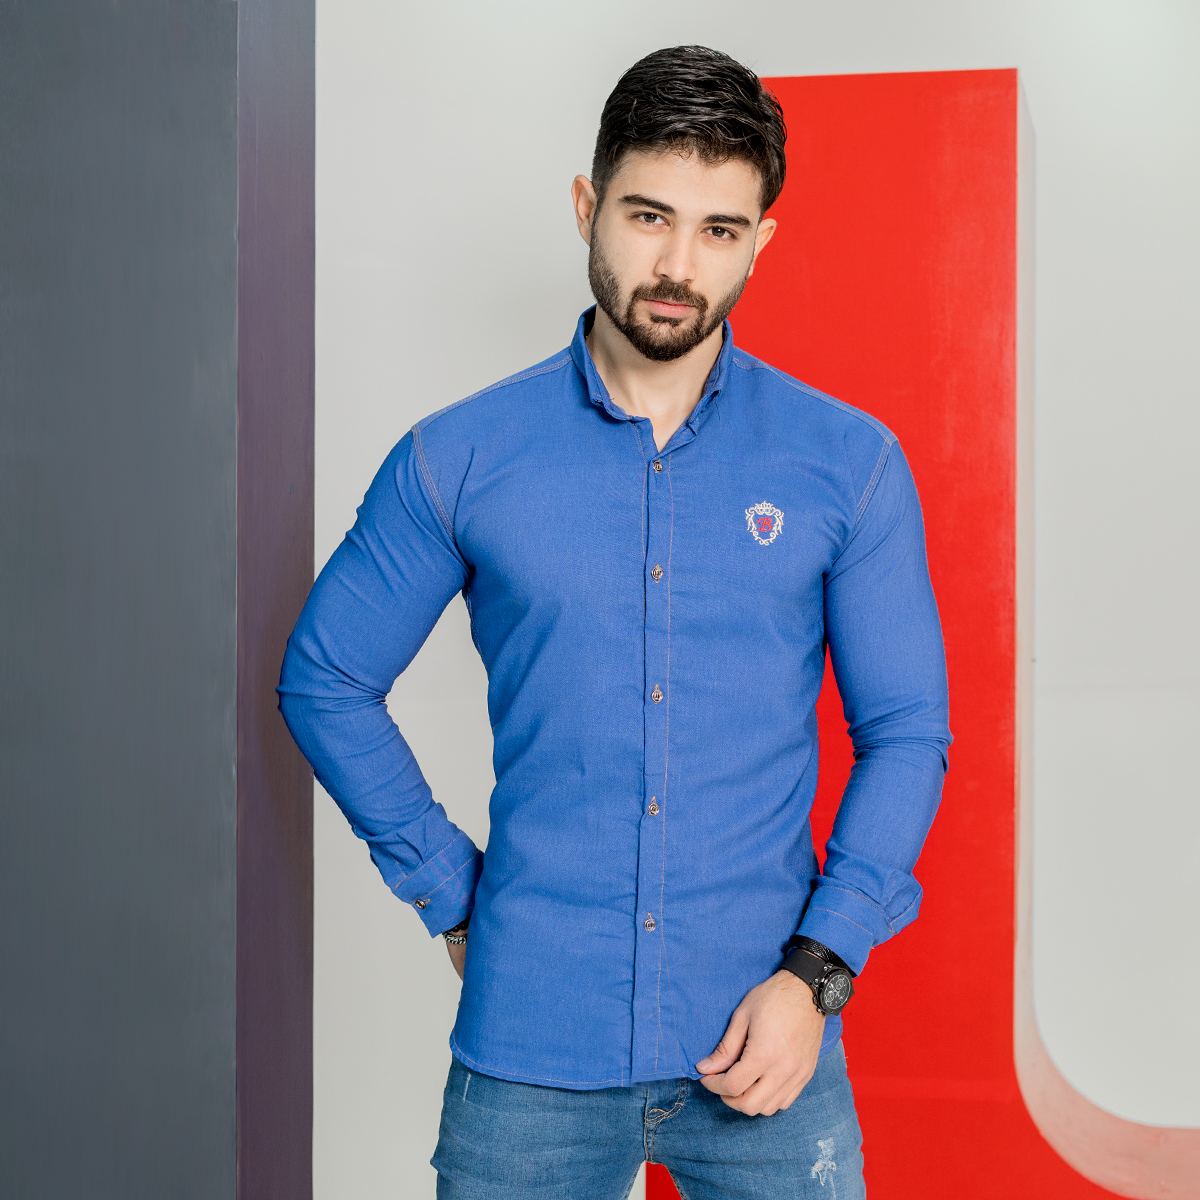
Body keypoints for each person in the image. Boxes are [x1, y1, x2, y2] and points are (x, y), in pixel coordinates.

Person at [278, 44, 951, 1200]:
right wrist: (448, 888)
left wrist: (818, 976)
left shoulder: (849, 463)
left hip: (768, 1045)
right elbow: (326, 678)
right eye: (649, 217)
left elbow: (907, 735)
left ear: (761, 240)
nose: (679, 266)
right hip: (529, 1054)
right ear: (587, 206)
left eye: (719, 230)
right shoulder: (460, 457)